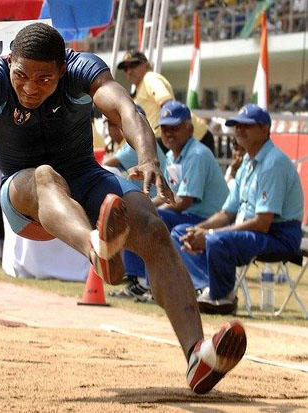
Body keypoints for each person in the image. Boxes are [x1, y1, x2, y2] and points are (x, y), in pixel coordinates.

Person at [0, 23, 246, 393]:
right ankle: (96, 248)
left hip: (86, 179)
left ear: (63, 67)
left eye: (44, 79)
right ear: (8, 63)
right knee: (44, 175)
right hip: (25, 196)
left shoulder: (82, 70)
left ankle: (196, 355)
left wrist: (148, 157)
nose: (30, 88)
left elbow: (126, 107)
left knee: (153, 228)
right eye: (21, 76)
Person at [171, 104, 304, 315]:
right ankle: (206, 287)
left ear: (264, 129)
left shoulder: (273, 163)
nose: (239, 130)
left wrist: (209, 234)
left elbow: (262, 224)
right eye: (236, 125)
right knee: (181, 232)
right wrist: (199, 229)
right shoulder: (247, 164)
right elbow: (226, 213)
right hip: (254, 232)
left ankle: (223, 297)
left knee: (215, 239)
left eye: (247, 125)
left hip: (279, 236)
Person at [120, 101, 229, 301]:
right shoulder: (172, 155)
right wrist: (143, 206)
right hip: (186, 214)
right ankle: (140, 281)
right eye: (165, 128)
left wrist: (147, 209)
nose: (169, 133)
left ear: (190, 128)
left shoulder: (197, 154)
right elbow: (167, 194)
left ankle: (152, 283)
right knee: (138, 215)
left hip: (207, 219)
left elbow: (184, 201)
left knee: (150, 219)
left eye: (175, 127)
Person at [117, 50, 215, 154]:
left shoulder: (150, 78)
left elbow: (168, 104)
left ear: (146, 65)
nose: (129, 71)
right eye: (125, 68)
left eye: (133, 65)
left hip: (196, 136)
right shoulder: (137, 91)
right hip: (173, 139)